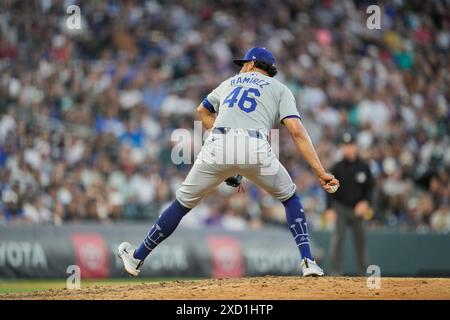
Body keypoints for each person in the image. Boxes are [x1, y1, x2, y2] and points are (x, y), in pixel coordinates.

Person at [117, 47, 340, 277]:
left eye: (244, 63)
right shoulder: (280, 89)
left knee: (181, 204)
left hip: (217, 144)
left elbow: (202, 110)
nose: (242, 67)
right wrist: (320, 171)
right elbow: (297, 131)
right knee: (290, 198)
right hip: (255, 147)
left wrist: (228, 153)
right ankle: (308, 262)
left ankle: (137, 258)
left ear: (252, 64)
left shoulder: (230, 82)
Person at [327, 132, 374, 275]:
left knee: (360, 242)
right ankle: (334, 272)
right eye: (345, 146)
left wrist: (366, 202)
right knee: (337, 240)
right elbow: (329, 188)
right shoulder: (337, 167)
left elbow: (370, 188)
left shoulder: (364, 167)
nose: (348, 149)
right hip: (341, 208)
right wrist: (329, 208)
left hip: (358, 209)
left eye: (350, 145)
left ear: (356, 147)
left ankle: (364, 273)